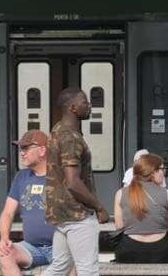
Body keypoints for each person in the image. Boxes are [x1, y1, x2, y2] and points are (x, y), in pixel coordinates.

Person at [42, 88, 109, 276]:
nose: (89, 106)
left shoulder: (56, 130)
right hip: (77, 213)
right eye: (85, 102)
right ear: (73, 107)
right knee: (88, 270)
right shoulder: (70, 137)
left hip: (60, 212)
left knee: (60, 267)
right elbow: (72, 182)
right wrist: (99, 207)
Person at [0, 130, 76, 276]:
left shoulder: (61, 176)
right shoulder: (21, 177)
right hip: (31, 247)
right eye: (21, 149)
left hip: (60, 247)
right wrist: (4, 239)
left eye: (26, 148)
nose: (21, 153)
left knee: (74, 265)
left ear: (42, 150)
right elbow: (7, 212)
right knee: (4, 253)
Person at [112, 153, 168, 264]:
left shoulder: (120, 193)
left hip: (129, 250)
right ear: (153, 172)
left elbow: (119, 227)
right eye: (162, 168)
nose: (164, 172)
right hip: (163, 250)